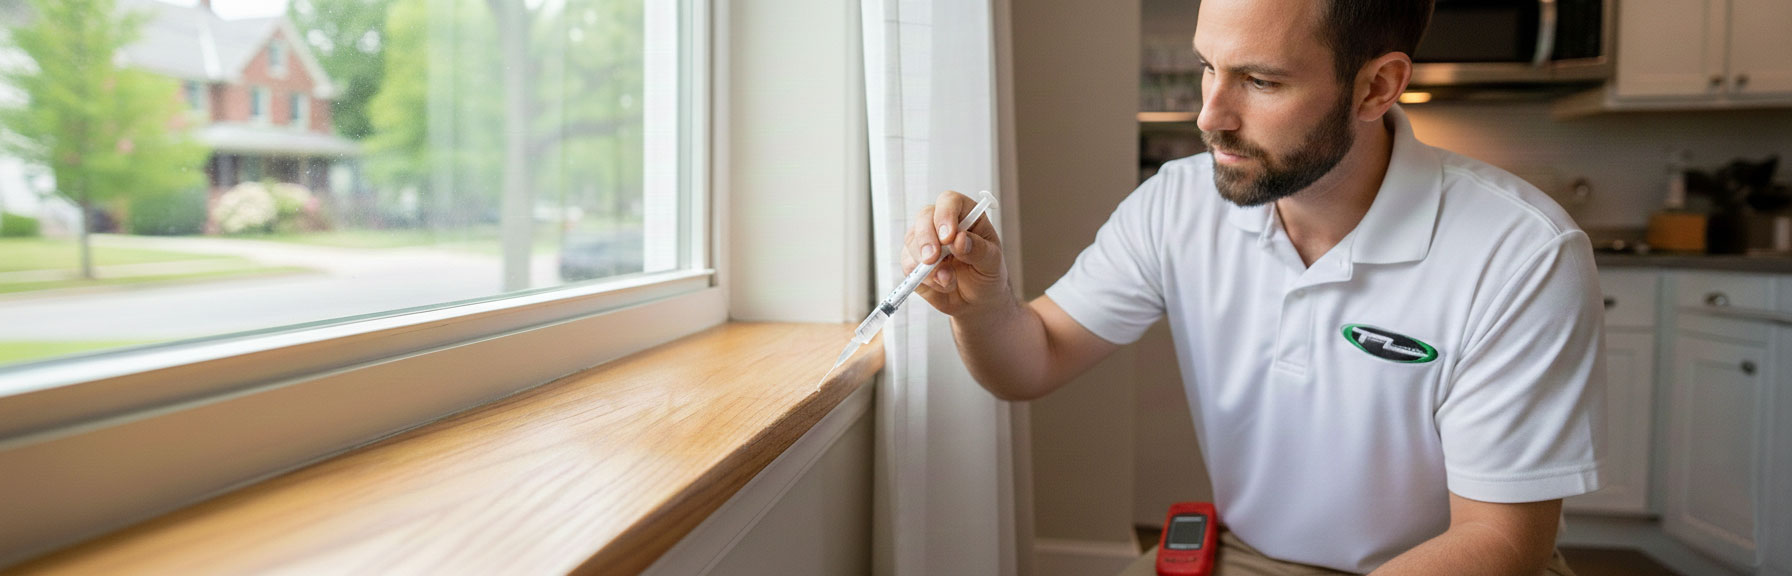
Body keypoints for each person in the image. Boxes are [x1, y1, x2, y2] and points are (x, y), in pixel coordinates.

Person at [901, 0, 1605, 574]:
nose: (1209, 116)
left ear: (1376, 87)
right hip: (1252, 558)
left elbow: (1501, 541)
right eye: (1208, 67)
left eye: (1261, 82)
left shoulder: (1522, 254)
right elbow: (1032, 361)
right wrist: (982, 307)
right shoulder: (1176, 204)